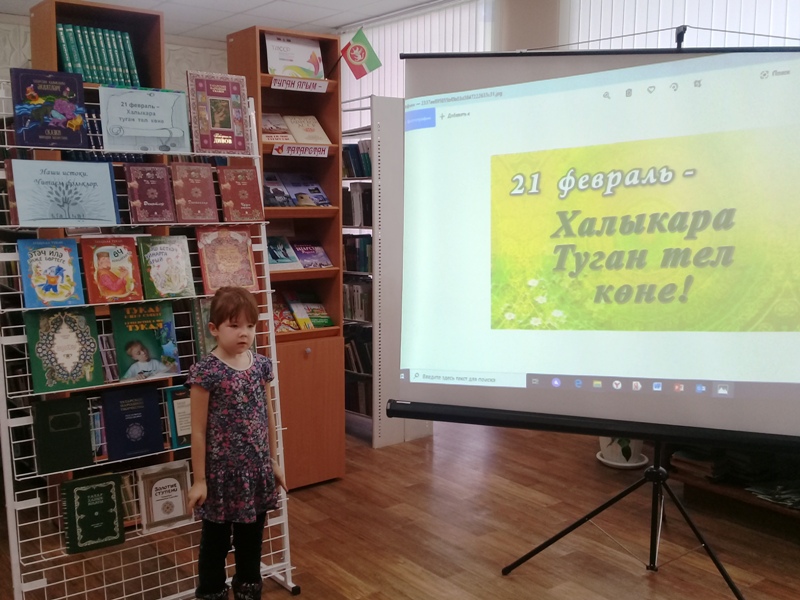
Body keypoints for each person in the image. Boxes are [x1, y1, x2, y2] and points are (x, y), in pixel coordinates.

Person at [187, 287, 287, 600]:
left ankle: (248, 589)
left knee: (251, 542)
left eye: (250, 325)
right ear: (214, 328)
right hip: (220, 476)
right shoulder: (207, 372)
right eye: (234, 325)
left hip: (255, 474)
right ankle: (212, 592)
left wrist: (272, 462)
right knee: (215, 543)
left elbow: (268, 417)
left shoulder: (260, 366)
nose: (244, 333)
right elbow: (198, 430)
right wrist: (200, 480)